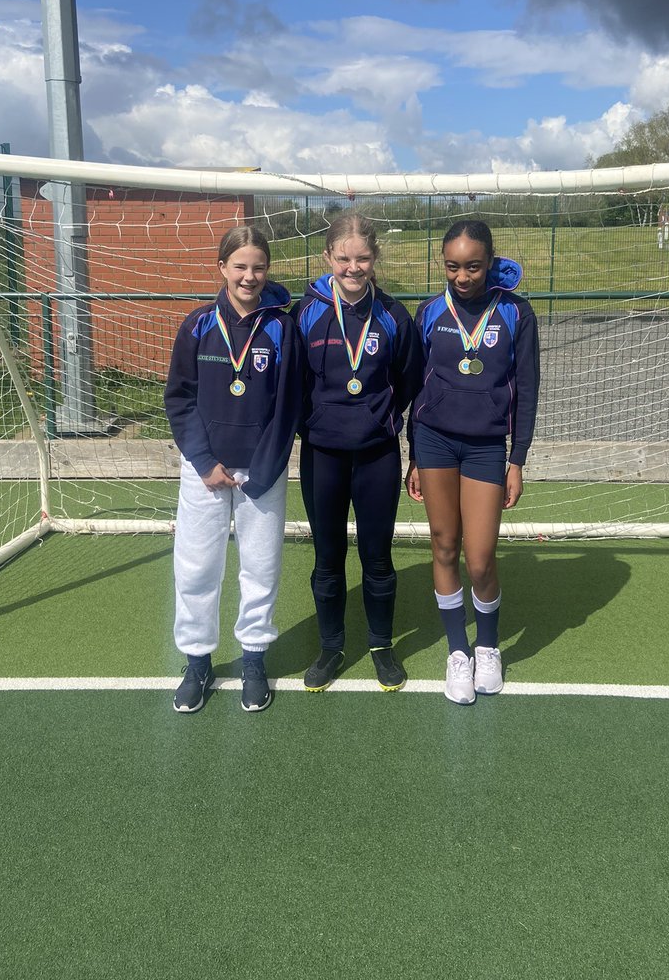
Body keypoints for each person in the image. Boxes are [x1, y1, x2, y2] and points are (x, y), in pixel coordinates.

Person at [164, 226, 302, 714]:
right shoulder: (197, 325)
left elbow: (289, 406)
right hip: (205, 471)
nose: (249, 276)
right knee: (198, 565)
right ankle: (197, 661)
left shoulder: (283, 328)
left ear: (267, 271)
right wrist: (203, 462)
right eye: (240, 266)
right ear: (221, 267)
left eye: (258, 267)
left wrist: (264, 469)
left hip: (262, 473)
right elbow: (179, 399)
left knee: (260, 568)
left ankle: (253, 658)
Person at [406, 219, 540, 705]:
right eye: (453, 267)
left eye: (473, 266)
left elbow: (527, 390)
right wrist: (414, 454)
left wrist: (517, 458)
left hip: (486, 448)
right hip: (434, 441)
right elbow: (413, 387)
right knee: (444, 545)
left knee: (480, 558)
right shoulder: (427, 312)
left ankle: (488, 646)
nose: (462, 277)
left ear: (490, 262)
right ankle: (457, 652)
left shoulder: (515, 313)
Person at [294, 214, 423, 692]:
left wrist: (381, 422)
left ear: (375, 259)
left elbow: (411, 383)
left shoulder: (393, 316)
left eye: (363, 258)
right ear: (328, 257)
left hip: (377, 455)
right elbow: (295, 383)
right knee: (328, 558)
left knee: (377, 557)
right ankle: (330, 647)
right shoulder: (305, 313)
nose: (353, 267)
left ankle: (380, 645)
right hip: (322, 455)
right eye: (343, 258)